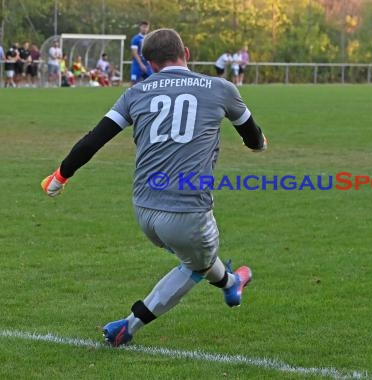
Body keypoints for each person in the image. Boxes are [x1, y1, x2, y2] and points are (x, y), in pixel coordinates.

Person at [40, 28, 268, 347]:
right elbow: (253, 138)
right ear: (186, 53)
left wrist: (60, 176)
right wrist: (258, 144)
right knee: (195, 262)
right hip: (187, 210)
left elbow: (95, 138)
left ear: (149, 63)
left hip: (144, 210)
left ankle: (232, 282)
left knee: (198, 256)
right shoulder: (221, 88)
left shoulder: (136, 93)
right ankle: (129, 326)